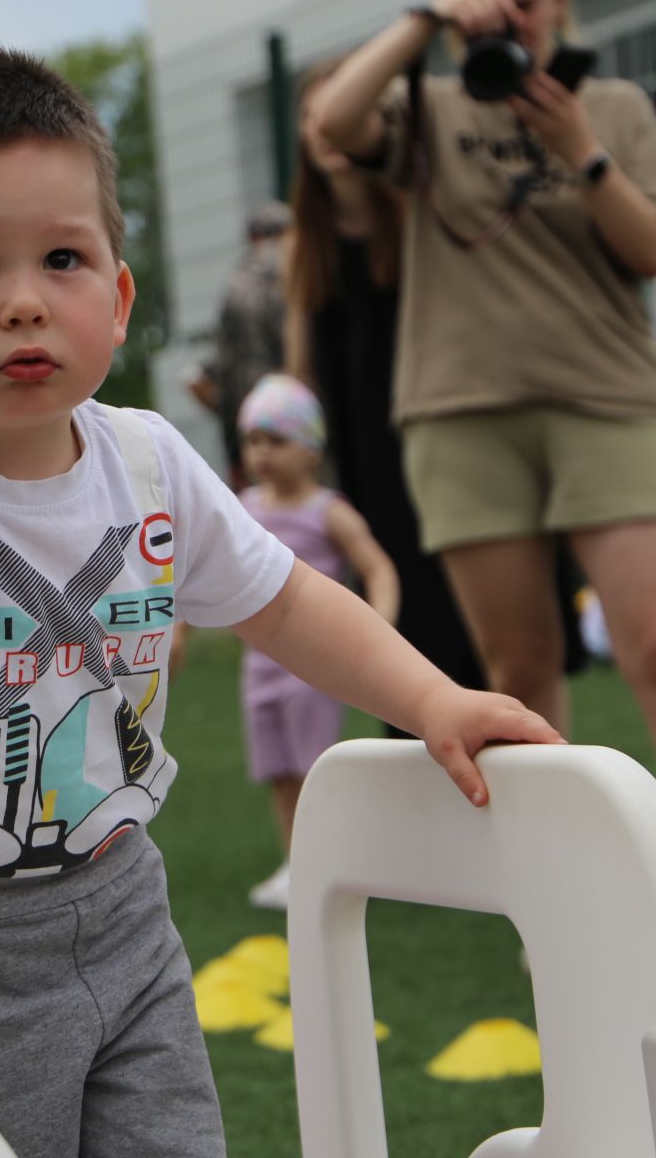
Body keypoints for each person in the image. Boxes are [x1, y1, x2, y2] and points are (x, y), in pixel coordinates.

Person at [0, 47, 564, 1158]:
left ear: (120, 297)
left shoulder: (149, 461)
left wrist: (432, 697)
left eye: (64, 258)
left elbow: (287, 602)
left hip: (124, 902)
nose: (25, 300)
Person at [313, 0, 656, 977]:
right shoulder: (428, 109)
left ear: (562, 1)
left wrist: (582, 147)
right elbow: (336, 121)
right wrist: (427, 23)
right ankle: (563, 899)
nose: (508, 17)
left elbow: (651, 248)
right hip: (460, 411)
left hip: (606, 399)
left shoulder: (615, 105)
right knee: (519, 668)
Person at [283, 59, 594, 698]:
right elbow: (300, 376)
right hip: (370, 462)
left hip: (446, 432)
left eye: (335, 113)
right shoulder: (305, 243)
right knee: (406, 638)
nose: (326, 129)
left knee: (494, 643)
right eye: (311, 117)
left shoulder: (414, 217)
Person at [233, 374, 398, 911]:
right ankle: (298, 863)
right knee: (279, 769)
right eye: (253, 441)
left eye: (275, 441)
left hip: (314, 669)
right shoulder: (244, 507)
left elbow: (378, 568)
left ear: (310, 449)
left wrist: (378, 631)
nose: (261, 453)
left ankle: (340, 866)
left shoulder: (329, 512)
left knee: (316, 767)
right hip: (259, 665)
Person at [189, 201, 291, 487]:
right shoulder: (289, 268)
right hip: (291, 410)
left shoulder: (235, 281)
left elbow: (212, 370)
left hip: (247, 419)